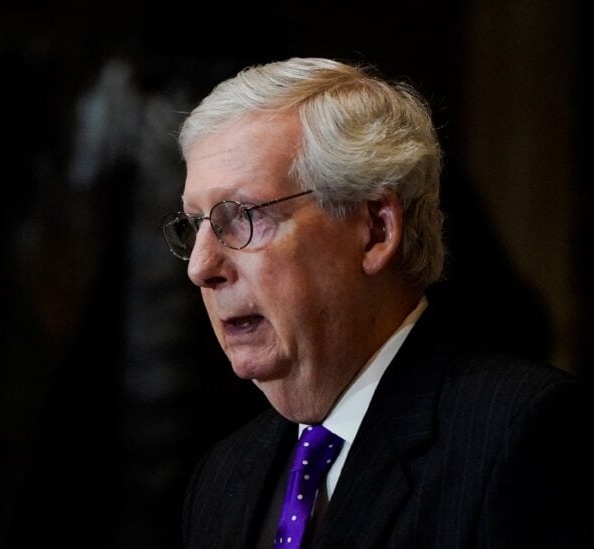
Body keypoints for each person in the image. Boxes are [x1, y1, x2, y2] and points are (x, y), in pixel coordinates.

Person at [160, 57, 593, 548]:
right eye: (195, 225)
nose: (200, 267)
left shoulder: (519, 437)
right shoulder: (224, 477)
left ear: (376, 231)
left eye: (242, 217)